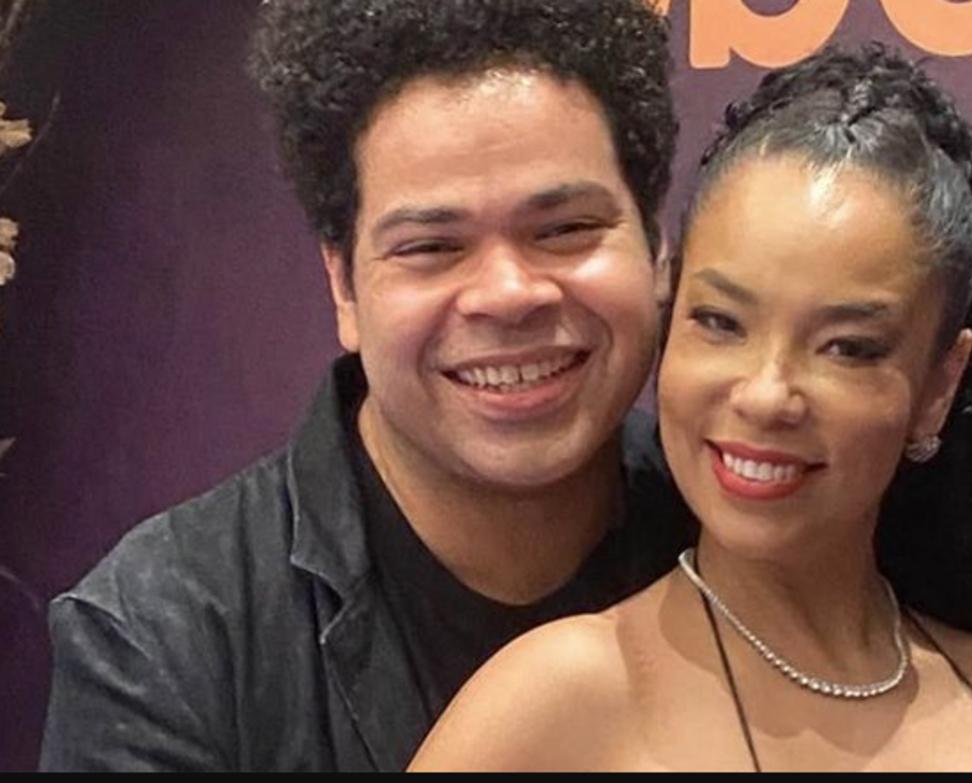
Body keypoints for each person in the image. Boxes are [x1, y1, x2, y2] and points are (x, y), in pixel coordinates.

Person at [408, 45, 972, 772]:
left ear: (938, 386)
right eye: (720, 322)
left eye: (848, 346)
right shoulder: (555, 709)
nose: (767, 392)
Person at [39, 0, 690, 771]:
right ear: (343, 285)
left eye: (565, 229)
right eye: (431, 246)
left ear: (656, 248)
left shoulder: (760, 543)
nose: (508, 293)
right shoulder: (161, 635)